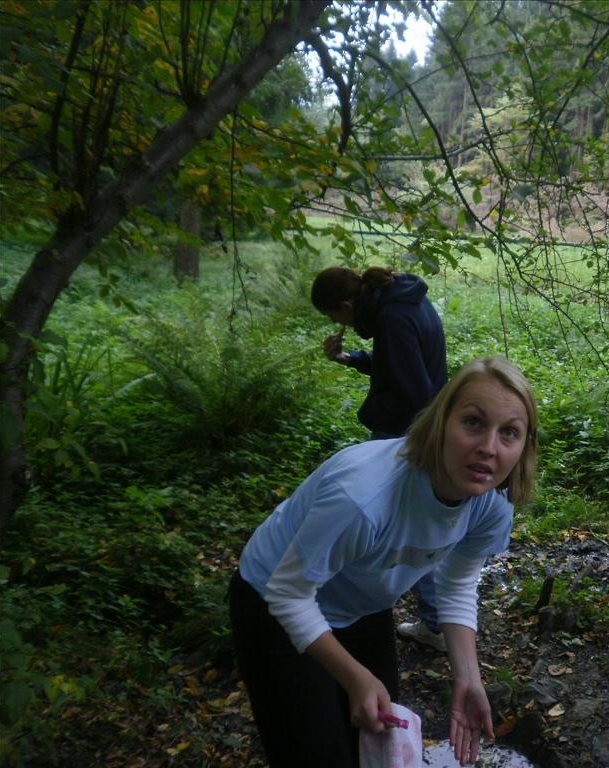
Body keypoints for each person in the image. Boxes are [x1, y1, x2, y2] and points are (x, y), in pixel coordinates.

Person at [229, 357, 538, 768]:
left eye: (509, 432)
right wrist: (354, 676)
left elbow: (456, 583)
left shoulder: (491, 503)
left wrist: (467, 677)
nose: (488, 447)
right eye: (473, 422)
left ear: (524, 447)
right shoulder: (363, 497)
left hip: (360, 604)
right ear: (442, 421)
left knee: (376, 741)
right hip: (273, 600)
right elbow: (287, 593)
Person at [311, 265, 448, 651]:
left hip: (406, 434)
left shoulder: (393, 316)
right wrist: (351, 358)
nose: (339, 325)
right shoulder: (400, 300)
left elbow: (413, 392)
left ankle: (429, 623)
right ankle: (435, 621)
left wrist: (380, 425)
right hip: (418, 428)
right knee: (412, 525)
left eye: (335, 317)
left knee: (401, 529)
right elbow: (397, 366)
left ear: (346, 305)